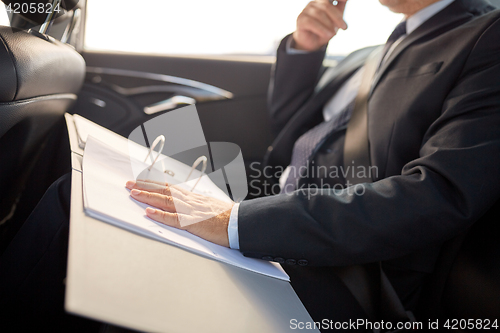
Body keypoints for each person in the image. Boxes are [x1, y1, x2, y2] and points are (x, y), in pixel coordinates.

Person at [125, 0, 500, 328]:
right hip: (270, 204)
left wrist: (238, 223)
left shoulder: (485, 34)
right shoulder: (368, 54)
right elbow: (294, 132)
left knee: (143, 281)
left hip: (351, 269)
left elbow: (440, 191)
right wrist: (306, 48)